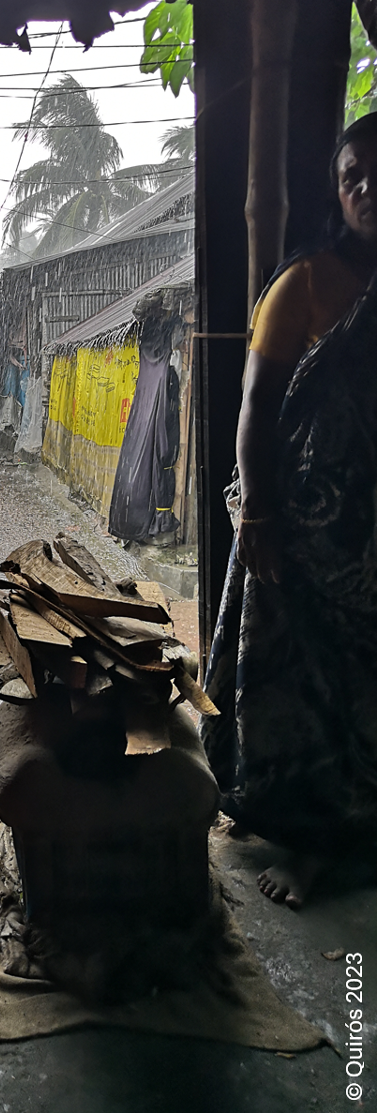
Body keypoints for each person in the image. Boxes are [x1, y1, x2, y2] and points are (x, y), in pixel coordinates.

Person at [202, 112, 377, 909]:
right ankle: (306, 840)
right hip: (302, 531)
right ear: (336, 192)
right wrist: (261, 512)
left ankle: (360, 834)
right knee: (296, 687)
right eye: (353, 177)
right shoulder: (305, 283)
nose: (368, 189)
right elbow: (257, 405)